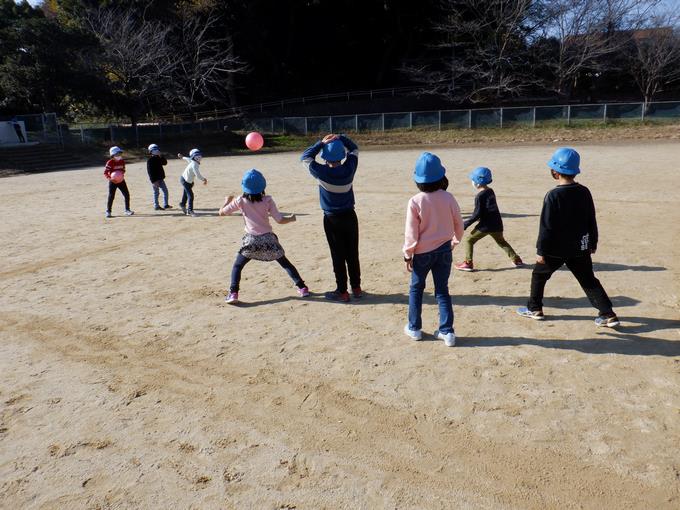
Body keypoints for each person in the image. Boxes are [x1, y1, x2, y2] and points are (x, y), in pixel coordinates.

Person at [516, 148, 620, 327]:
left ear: (555, 172)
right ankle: (608, 314)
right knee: (588, 280)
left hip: (555, 249)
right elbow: (591, 218)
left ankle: (535, 308)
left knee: (539, 276)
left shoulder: (553, 195)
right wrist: (592, 242)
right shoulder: (584, 191)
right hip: (580, 247)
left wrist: (541, 251)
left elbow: (546, 227)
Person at [219, 169, 309, 304]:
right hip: (269, 239)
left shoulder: (240, 200)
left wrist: (226, 201)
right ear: (263, 186)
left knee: (238, 266)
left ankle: (233, 293)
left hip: (251, 240)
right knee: (285, 263)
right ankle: (302, 288)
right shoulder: (268, 200)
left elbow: (222, 213)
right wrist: (291, 218)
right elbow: (279, 220)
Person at [403, 152, 465, 346]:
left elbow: (411, 233)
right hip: (444, 250)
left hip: (422, 253)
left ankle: (414, 328)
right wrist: (454, 241)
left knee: (416, 289)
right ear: (441, 177)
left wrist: (408, 254)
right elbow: (459, 224)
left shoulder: (415, 201)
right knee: (442, 291)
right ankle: (447, 332)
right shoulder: (448, 197)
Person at [300, 133, 361, 302]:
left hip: (332, 219)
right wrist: (340, 137)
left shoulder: (321, 171)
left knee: (338, 255)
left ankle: (342, 291)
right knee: (352, 253)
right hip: (350, 216)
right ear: (342, 156)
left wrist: (321, 143)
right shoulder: (350, 167)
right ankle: (356, 287)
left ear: (325, 158)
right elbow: (354, 149)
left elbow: (305, 157)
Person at [454, 166, 523, 271]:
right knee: (501, 241)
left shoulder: (479, 196)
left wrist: (465, 224)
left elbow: (476, 214)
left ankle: (468, 263)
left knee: (469, 240)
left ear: (477, 182)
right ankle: (516, 259)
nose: (472, 182)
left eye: (473, 179)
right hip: (497, 223)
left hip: (486, 226)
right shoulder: (491, 191)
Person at [104, 146, 134, 218]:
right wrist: (110, 178)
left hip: (121, 181)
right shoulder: (110, 162)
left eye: (120, 154)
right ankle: (108, 211)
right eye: (117, 154)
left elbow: (123, 169)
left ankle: (127, 210)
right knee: (111, 196)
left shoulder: (122, 161)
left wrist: (121, 174)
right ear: (113, 155)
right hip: (113, 181)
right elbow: (105, 172)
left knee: (126, 194)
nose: (119, 155)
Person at [178, 148, 207, 216]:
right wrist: (204, 179)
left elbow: (187, 158)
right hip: (184, 180)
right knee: (191, 196)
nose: (199, 156)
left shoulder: (193, 161)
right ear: (193, 157)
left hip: (189, 182)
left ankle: (182, 204)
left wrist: (182, 157)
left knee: (186, 194)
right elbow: (197, 175)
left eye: (199, 155)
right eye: (197, 155)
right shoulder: (194, 164)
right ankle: (190, 211)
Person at [146, 143, 172, 210]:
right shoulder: (150, 160)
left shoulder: (159, 158)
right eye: (154, 150)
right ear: (150, 151)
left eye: (157, 149)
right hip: (155, 180)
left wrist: (161, 156)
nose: (156, 151)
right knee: (156, 192)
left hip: (161, 178)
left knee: (165, 191)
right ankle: (156, 206)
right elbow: (150, 172)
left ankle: (166, 204)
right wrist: (153, 181)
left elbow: (165, 163)